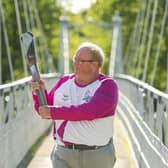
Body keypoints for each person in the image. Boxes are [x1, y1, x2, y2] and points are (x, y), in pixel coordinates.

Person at [31, 42, 118, 168]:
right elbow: (45, 110)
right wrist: (39, 92)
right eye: (75, 59)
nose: (75, 64)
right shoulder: (64, 81)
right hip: (63, 153)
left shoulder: (107, 85)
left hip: (96, 155)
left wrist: (52, 112)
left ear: (95, 64)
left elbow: (89, 112)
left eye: (80, 61)